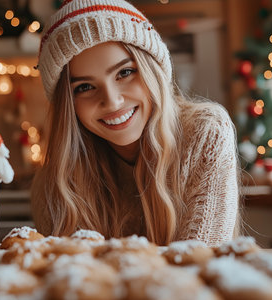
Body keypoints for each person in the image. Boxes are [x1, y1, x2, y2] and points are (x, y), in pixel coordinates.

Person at [31, 0, 240, 247]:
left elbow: (200, 266)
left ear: (152, 69)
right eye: (84, 87)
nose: (112, 101)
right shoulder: (56, 183)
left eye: (125, 72)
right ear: (68, 105)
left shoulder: (206, 133)